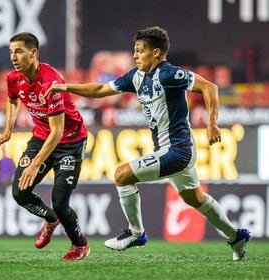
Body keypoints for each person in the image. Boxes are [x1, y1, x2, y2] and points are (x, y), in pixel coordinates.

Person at [46, 26, 250, 261]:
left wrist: (212, 124)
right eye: (134, 51)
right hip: (168, 150)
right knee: (194, 198)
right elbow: (102, 88)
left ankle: (136, 233)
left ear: (156, 52)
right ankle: (236, 236)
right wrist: (66, 87)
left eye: (140, 51)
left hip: (178, 150)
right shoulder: (136, 76)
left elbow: (209, 87)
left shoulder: (170, 74)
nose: (135, 56)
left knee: (122, 175)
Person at [0, 32, 90, 260]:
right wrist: (8, 128)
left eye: (18, 51)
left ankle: (80, 246)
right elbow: (12, 99)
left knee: (60, 202)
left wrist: (35, 164)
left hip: (70, 142)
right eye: (11, 52)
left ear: (33, 52)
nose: (13, 57)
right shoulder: (13, 78)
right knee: (20, 193)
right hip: (40, 138)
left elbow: (57, 132)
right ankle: (50, 219)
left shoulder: (51, 81)